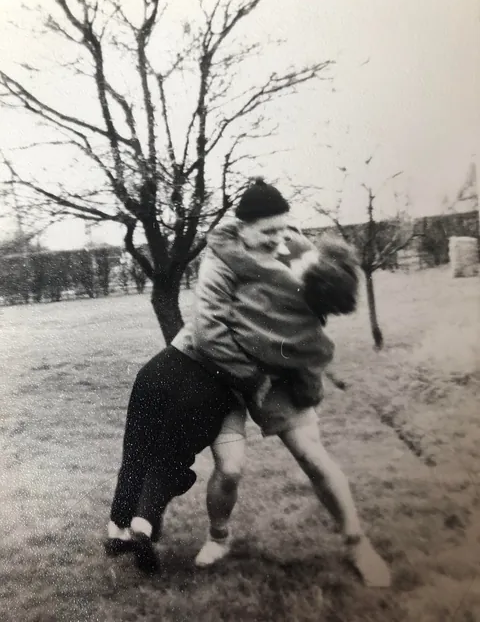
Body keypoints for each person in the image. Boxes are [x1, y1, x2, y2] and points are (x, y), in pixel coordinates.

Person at [171, 178, 391, 587]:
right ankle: (219, 537)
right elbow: (208, 333)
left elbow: (315, 303)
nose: (279, 239)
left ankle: (358, 543)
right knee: (231, 468)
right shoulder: (218, 261)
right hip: (225, 372)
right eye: (268, 232)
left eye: (284, 228)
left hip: (279, 372)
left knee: (312, 455)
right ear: (243, 227)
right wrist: (252, 376)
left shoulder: (294, 247)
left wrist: (296, 342)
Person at [104, 343, 262, 574]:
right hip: (205, 387)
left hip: (162, 366)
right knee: (170, 461)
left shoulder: (213, 313)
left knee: (137, 452)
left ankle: (118, 528)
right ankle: (143, 523)